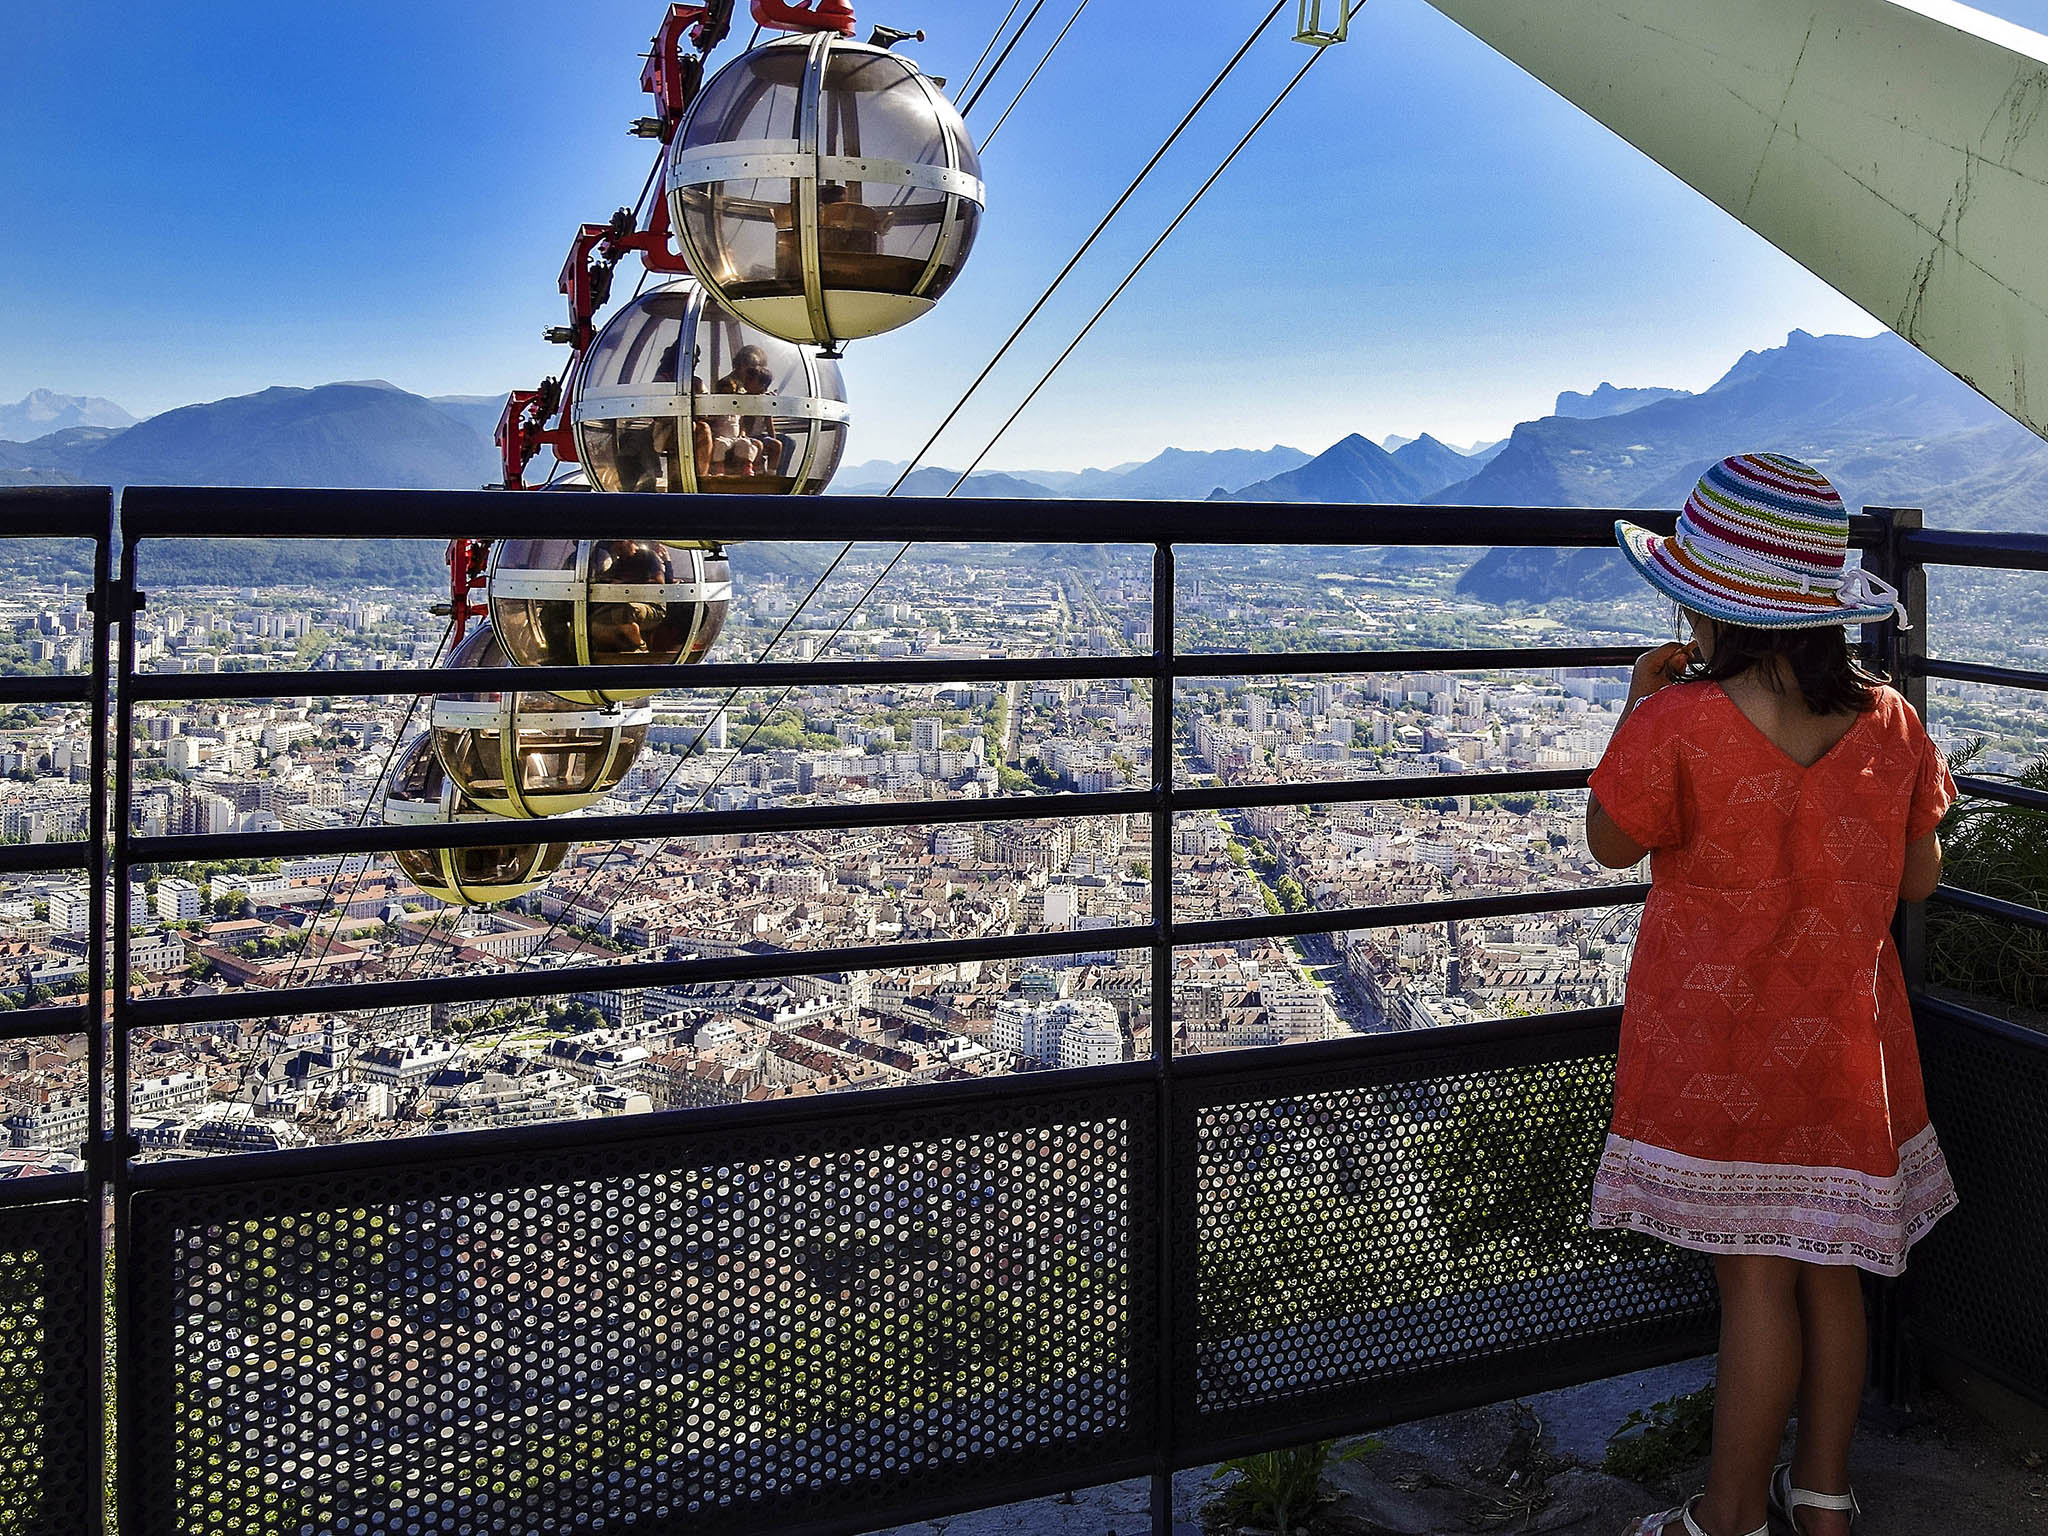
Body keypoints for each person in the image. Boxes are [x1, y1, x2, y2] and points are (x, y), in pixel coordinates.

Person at [1588, 454, 1957, 1536]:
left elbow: (1611, 845)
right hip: (1846, 1034)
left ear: (1711, 612)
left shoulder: (1676, 722)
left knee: (1752, 1280)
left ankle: (1725, 1516)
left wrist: (1632, 707)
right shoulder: (1888, 720)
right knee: (1830, 1269)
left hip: (1718, 1039)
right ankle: (1824, 1498)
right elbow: (1919, 877)